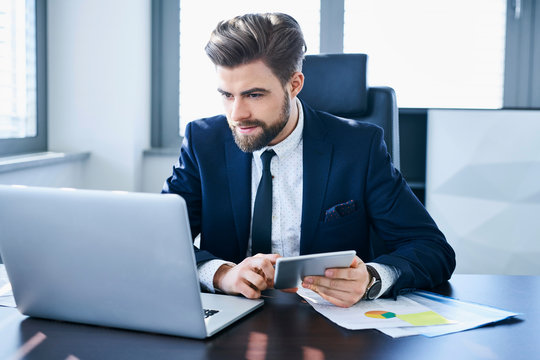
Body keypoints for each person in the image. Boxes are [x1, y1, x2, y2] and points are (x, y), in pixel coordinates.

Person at [162, 12, 455, 308]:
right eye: (227, 95)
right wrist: (221, 274)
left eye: (253, 95)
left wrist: (371, 278)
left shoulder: (358, 148)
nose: (236, 114)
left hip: (328, 328)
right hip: (229, 322)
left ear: (294, 84)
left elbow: (432, 249)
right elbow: (159, 240)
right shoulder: (203, 141)